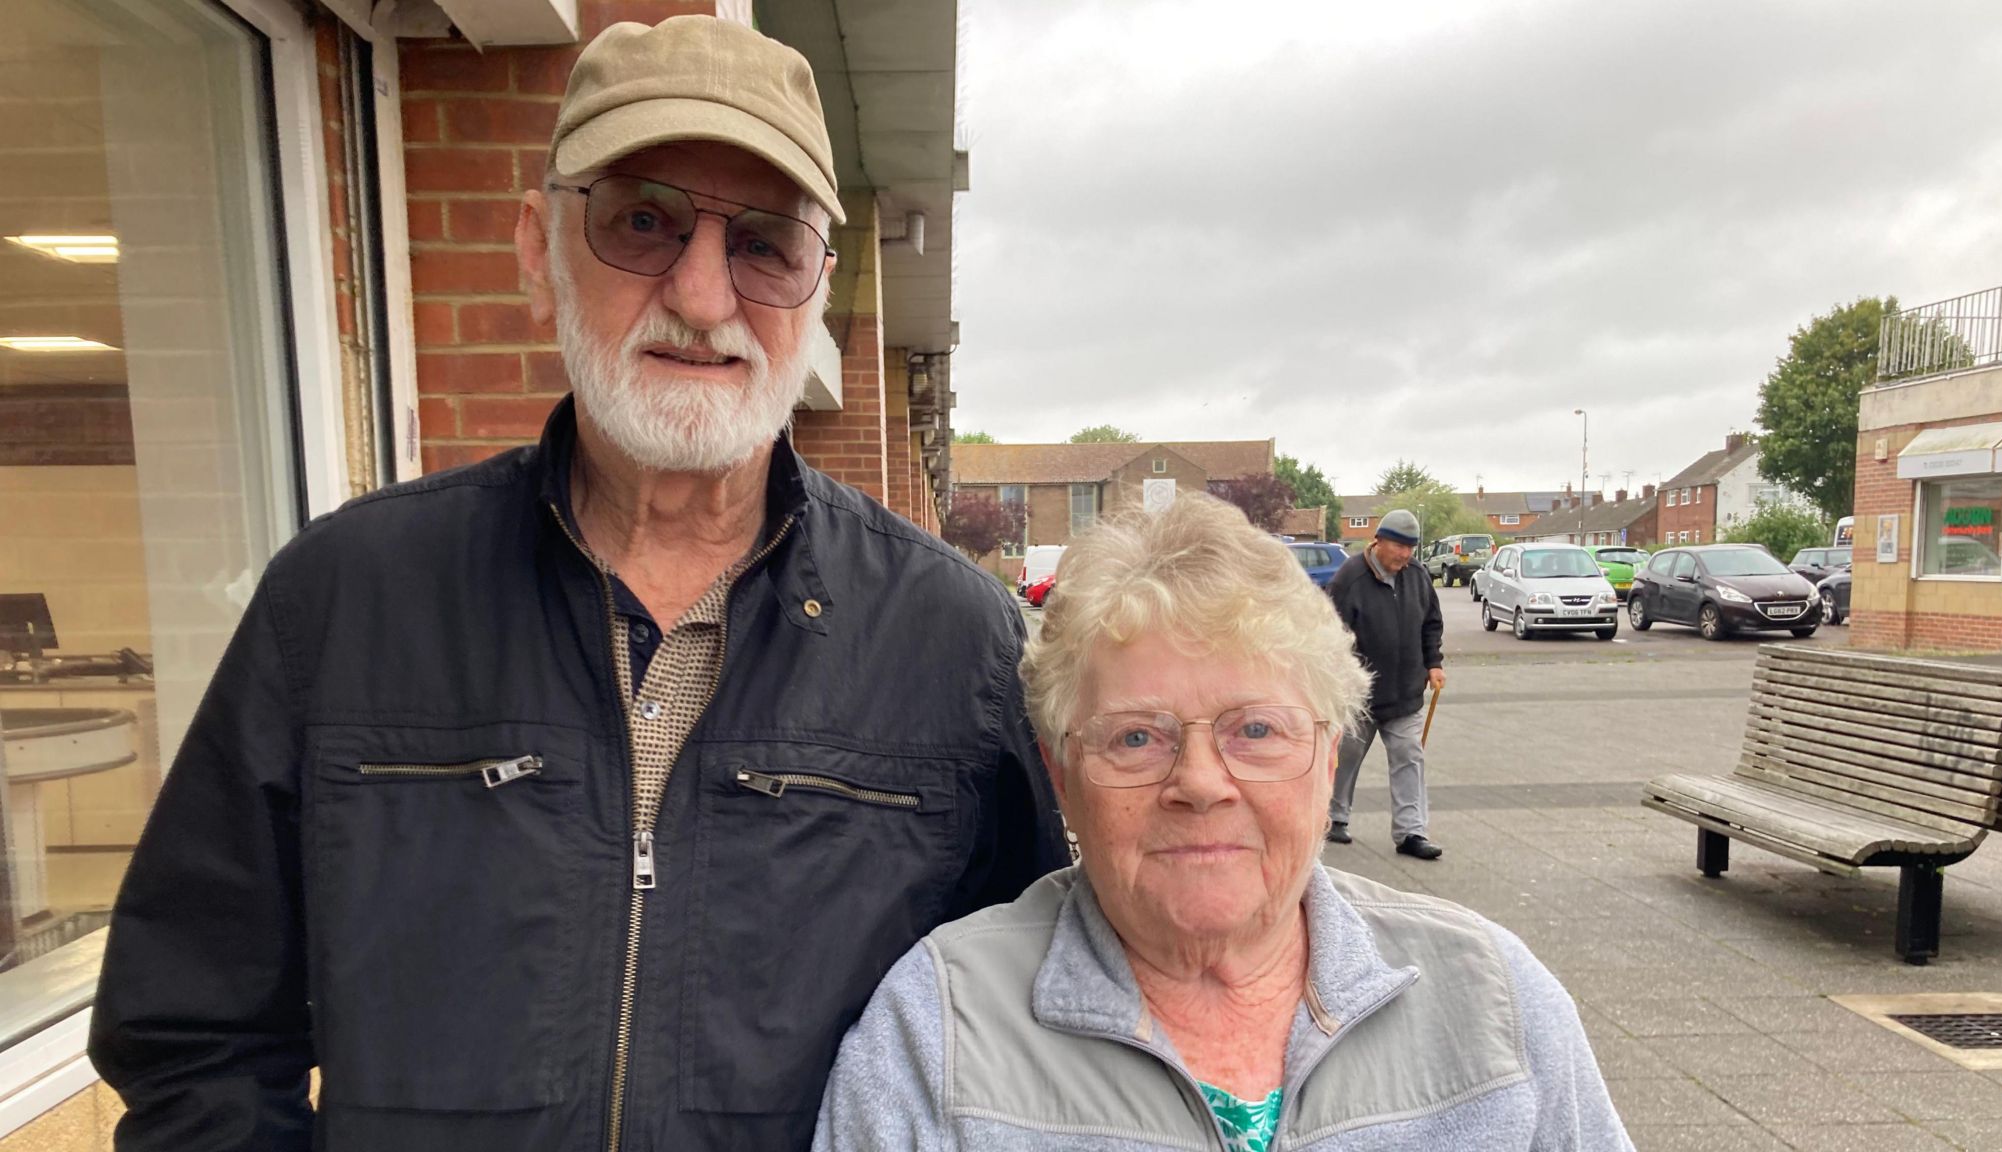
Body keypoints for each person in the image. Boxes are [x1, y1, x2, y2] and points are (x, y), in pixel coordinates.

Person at [87, 16, 1063, 1151]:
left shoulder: (955, 645)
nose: (701, 298)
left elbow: (1028, 1034)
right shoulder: (345, 604)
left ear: (816, 289)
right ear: (535, 250)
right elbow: (195, 1034)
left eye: (763, 243)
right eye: (641, 222)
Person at [811, 494, 1631, 1150]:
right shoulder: (937, 1033)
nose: (1201, 783)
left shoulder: (1496, 1004)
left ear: (1329, 749)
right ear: (1061, 774)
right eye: (1137, 736)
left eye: (1256, 731)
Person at [1325, 507, 1445, 858]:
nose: (1405, 554)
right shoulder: (1349, 579)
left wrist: (1433, 663)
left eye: (1411, 548)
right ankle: (1334, 817)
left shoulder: (1418, 576)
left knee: (1410, 755)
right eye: (1399, 546)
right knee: (1344, 755)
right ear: (1378, 541)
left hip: (1405, 690)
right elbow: (1333, 636)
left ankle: (1411, 833)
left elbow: (1431, 623)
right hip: (1359, 696)